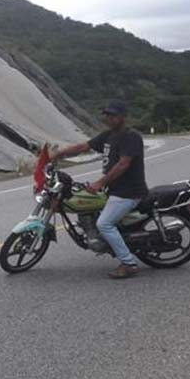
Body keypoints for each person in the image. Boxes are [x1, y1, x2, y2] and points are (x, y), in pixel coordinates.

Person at [51, 100, 148, 279]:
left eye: (113, 115)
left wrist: (100, 183)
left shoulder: (131, 137)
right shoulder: (108, 136)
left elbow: (123, 164)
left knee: (104, 224)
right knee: (89, 206)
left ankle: (129, 263)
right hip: (115, 190)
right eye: (107, 115)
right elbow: (83, 147)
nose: (109, 118)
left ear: (123, 117)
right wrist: (59, 154)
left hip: (129, 192)